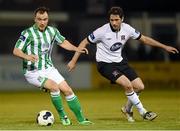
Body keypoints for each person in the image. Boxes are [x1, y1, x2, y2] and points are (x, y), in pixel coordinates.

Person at [67, 7, 179, 122]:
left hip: (121, 62)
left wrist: (164, 47)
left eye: (116, 20)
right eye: (111, 20)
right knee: (127, 85)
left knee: (140, 87)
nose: (114, 23)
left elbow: (144, 39)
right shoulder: (102, 31)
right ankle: (143, 112)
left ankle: (127, 109)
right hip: (105, 64)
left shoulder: (127, 29)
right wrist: (73, 60)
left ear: (122, 19)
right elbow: (84, 42)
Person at [13, 6, 93, 126]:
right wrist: (27, 56)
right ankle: (63, 117)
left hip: (49, 68)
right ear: (35, 19)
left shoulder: (52, 31)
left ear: (48, 19)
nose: (42, 22)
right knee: (54, 87)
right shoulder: (27, 33)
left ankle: (81, 119)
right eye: (39, 19)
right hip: (33, 71)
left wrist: (77, 48)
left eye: (45, 19)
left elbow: (63, 42)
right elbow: (16, 51)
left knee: (68, 90)